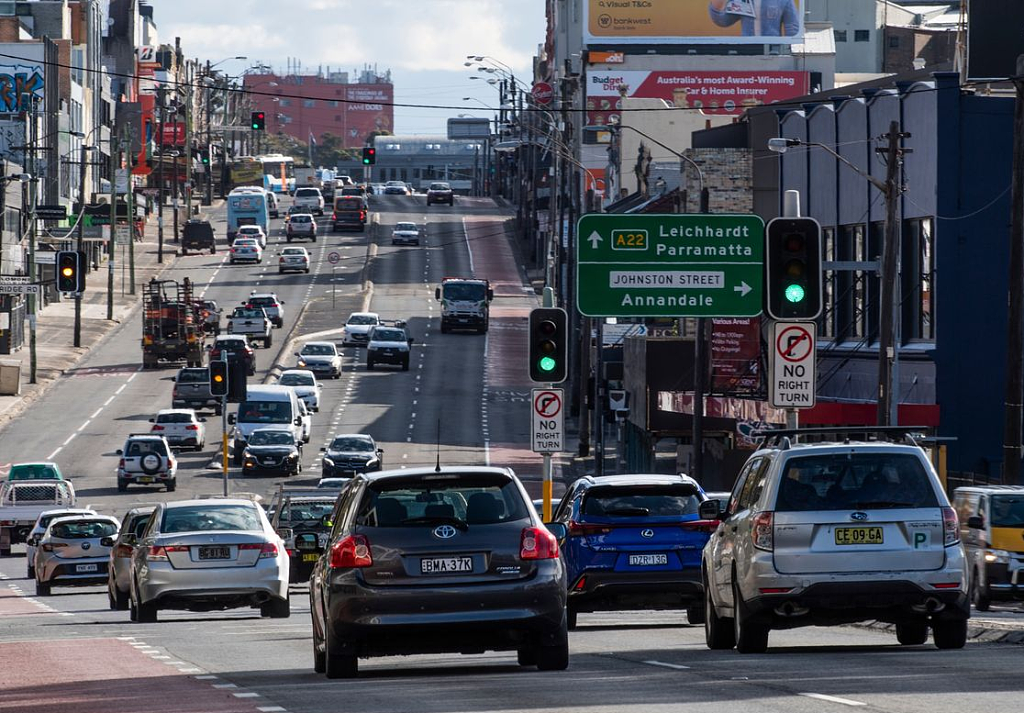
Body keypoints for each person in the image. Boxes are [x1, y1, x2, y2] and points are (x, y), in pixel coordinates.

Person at [708, 0, 800, 38]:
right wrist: (717, 5)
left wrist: (791, 53)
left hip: (773, 51)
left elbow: (793, 28)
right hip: (747, 51)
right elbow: (724, 21)